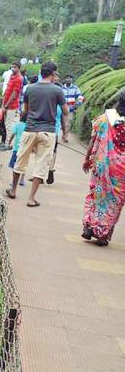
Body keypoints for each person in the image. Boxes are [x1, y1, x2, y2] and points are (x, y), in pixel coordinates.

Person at [6, 62, 68, 207]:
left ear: (41, 72)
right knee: (41, 164)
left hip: (30, 129)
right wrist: (64, 131)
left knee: (20, 160)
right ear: (52, 74)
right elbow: (65, 112)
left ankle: (14, 189)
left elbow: (25, 111)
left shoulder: (30, 89)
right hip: (48, 132)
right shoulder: (58, 91)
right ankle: (31, 198)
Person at [81, 92, 125, 247]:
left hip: (102, 164)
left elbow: (94, 139)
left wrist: (88, 159)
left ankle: (89, 226)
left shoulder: (105, 118)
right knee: (114, 202)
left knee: (97, 195)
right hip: (122, 172)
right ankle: (103, 234)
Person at [1, 63, 23, 148]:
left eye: (15, 67)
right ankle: (5, 142)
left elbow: (14, 93)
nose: (13, 68)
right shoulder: (11, 76)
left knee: (8, 124)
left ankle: (7, 144)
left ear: (19, 68)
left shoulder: (18, 78)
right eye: (12, 67)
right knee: (5, 124)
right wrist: (3, 104)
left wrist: (6, 105)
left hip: (12, 105)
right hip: (6, 104)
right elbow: (7, 91)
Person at [62, 76, 83, 143]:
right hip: (62, 107)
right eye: (67, 78)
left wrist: (78, 103)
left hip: (71, 108)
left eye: (71, 78)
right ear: (65, 79)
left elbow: (80, 96)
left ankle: (65, 136)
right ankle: (64, 134)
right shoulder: (61, 88)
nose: (69, 79)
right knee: (63, 123)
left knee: (68, 122)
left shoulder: (75, 88)